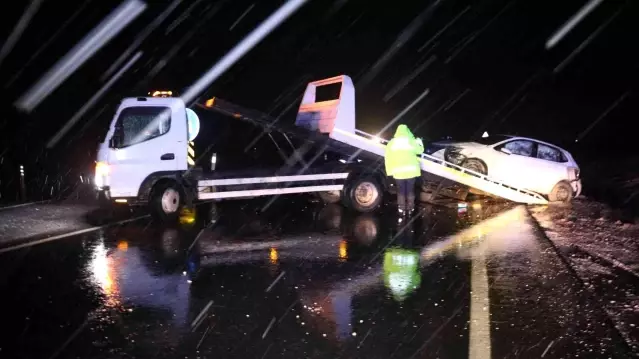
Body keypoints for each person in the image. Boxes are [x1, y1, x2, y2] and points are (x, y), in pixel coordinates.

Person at [384, 124, 424, 216]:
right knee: (410, 190)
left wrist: (389, 171)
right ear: (407, 131)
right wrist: (419, 142)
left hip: (398, 173)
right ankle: (410, 209)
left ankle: (401, 209)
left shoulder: (392, 143)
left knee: (401, 191)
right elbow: (420, 150)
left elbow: (388, 158)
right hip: (411, 172)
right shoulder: (411, 141)